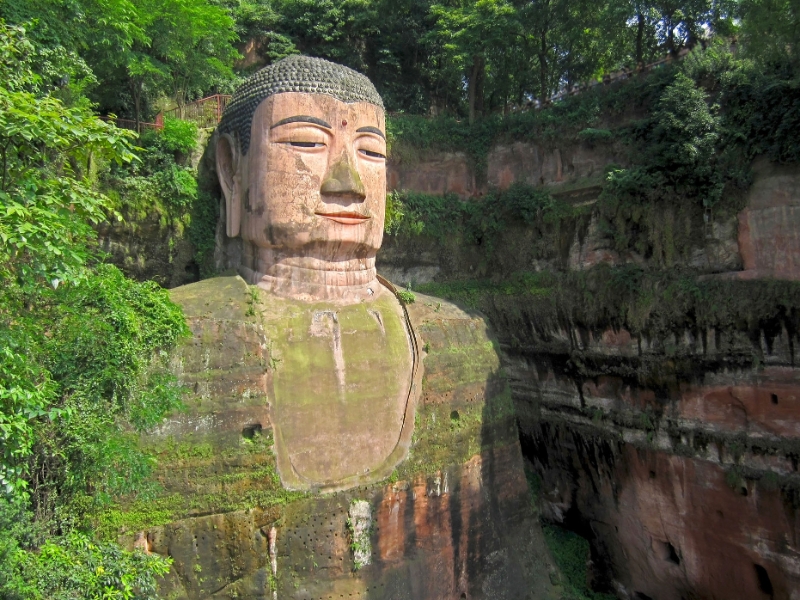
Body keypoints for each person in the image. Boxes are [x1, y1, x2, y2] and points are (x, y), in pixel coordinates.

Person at [212, 55, 417, 491]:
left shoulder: (453, 330)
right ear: (232, 170)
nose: (348, 182)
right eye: (306, 142)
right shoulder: (181, 333)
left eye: (371, 152)